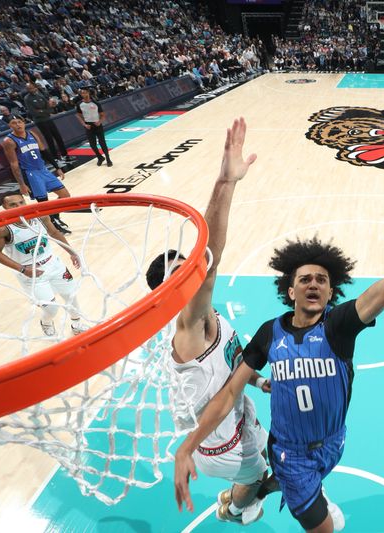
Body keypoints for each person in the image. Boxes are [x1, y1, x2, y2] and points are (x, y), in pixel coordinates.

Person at [173, 188, 384, 532]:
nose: (313, 284)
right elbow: (228, 394)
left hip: (334, 442)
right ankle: (273, 493)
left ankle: (259, 493)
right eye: (305, 279)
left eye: (322, 280)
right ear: (290, 290)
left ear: (332, 292)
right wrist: (187, 448)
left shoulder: (339, 326)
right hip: (291, 454)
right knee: (325, 528)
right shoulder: (269, 334)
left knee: (294, 484)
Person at [145, 118, 272, 526]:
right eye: (178, 273)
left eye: (186, 265)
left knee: (271, 463)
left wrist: (257, 381)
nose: (189, 271)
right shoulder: (189, 328)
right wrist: (226, 184)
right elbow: (209, 261)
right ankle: (233, 507)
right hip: (221, 444)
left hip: (235, 413)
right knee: (263, 478)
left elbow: (231, 362)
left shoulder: (207, 318)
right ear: (165, 294)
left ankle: (238, 495)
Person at [0, 194, 85, 336]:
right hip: (29, 272)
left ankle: (77, 324)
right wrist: (22, 269)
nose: (19, 207)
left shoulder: (39, 215)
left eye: (21, 202)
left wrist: (72, 252)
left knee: (71, 296)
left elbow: (54, 232)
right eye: (13, 205)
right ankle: (46, 321)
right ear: (4, 207)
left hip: (53, 264)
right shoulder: (2, 228)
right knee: (51, 309)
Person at [2, 115, 72, 234]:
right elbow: (14, 164)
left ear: (24, 122)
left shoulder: (32, 134)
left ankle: (54, 218)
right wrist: (22, 184)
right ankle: (53, 226)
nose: (18, 125)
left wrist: (57, 167)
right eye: (14, 123)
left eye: (19, 121)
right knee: (43, 204)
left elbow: (44, 151)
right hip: (30, 174)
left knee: (65, 196)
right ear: (10, 126)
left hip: (43, 170)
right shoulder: (9, 141)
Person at [23, 82, 70, 164]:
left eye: (31, 87)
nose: (30, 89)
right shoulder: (27, 98)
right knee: (49, 139)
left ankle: (65, 155)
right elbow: (34, 112)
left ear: (35, 87)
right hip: (40, 121)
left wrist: (42, 111)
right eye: (28, 88)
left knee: (58, 137)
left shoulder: (40, 95)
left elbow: (50, 109)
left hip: (48, 119)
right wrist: (44, 111)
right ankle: (55, 158)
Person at [75, 88, 112, 167]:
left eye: (85, 93)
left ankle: (108, 159)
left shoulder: (95, 103)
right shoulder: (79, 104)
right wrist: (84, 124)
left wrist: (99, 122)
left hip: (97, 125)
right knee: (92, 144)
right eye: (82, 93)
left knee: (102, 143)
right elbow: (78, 116)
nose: (84, 94)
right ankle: (100, 157)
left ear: (88, 93)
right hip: (88, 126)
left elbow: (102, 115)